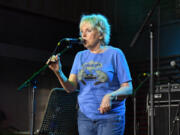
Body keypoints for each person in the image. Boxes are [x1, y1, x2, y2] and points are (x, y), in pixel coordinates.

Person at [47, 14, 133, 135]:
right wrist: (58, 72)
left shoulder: (115, 54)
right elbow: (70, 87)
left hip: (110, 118)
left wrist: (110, 96)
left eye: (88, 30)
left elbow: (128, 88)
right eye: (82, 31)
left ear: (101, 34)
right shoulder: (80, 56)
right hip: (85, 118)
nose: (83, 35)